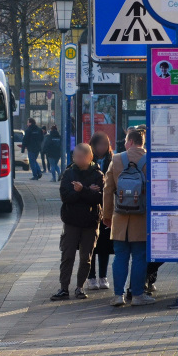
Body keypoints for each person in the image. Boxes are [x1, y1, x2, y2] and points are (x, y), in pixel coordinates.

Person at [102, 129, 151, 306]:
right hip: (142, 217)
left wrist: (107, 216)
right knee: (139, 256)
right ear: (142, 142)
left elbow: (107, 190)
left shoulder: (116, 159)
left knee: (120, 256)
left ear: (130, 141)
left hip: (120, 217)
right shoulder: (150, 159)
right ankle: (137, 295)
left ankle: (118, 296)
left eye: (125, 140)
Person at [51, 143, 103, 301]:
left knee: (86, 257)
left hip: (90, 221)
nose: (77, 159)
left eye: (80, 157)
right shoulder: (68, 173)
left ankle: (80, 287)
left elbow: (100, 198)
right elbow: (66, 197)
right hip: (71, 221)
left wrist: (82, 190)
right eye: (75, 156)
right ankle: (63, 288)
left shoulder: (98, 174)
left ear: (89, 157)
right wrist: (85, 192)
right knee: (67, 255)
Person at [85, 132, 114, 291]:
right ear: (93, 146)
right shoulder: (87, 160)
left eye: (105, 144)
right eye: (99, 144)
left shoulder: (113, 159)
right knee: (91, 246)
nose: (103, 147)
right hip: (91, 210)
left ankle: (103, 276)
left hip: (107, 208)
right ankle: (91, 277)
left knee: (105, 245)